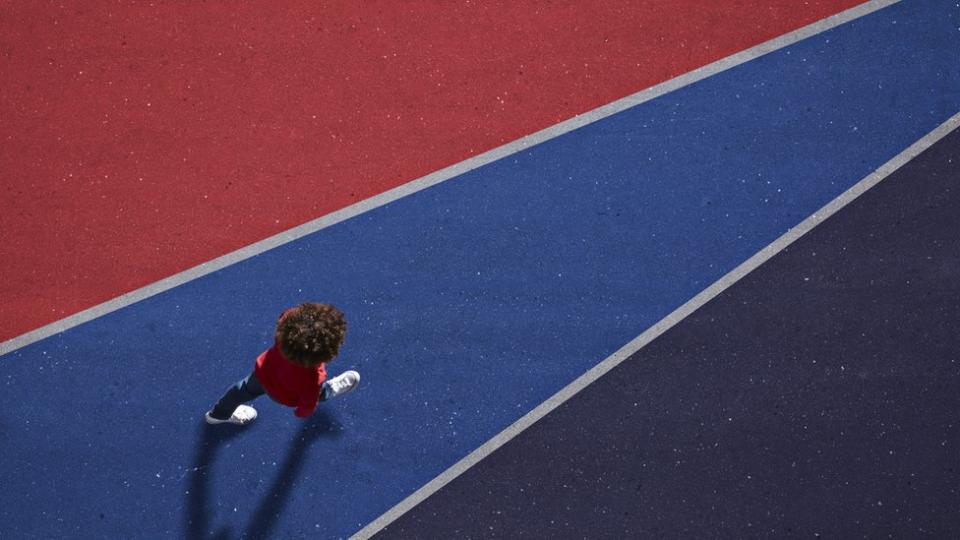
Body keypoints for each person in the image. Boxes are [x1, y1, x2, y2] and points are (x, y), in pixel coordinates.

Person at [205, 302, 359, 425]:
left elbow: (286, 315)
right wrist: (301, 412)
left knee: (242, 389)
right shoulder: (314, 377)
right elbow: (307, 405)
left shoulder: (285, 329)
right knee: (320, 392)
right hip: (285, 396)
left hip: (264, 373)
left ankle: (218, 415)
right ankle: (330, 390)